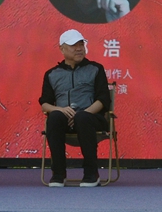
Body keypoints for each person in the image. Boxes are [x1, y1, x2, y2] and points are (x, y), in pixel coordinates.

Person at [39, 29, 111, 187]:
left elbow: (103, 100)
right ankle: (58, 174)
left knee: (82, 118)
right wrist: (59, 110)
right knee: (54, 117)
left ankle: (91, 173)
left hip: (91, 118)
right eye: (74, 45)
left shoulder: (95, 69)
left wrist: (81, 114)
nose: (79, 49)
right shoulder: (52, 74)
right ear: (62, 49)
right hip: (64, 118)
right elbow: (45, 103)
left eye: (81, 45)